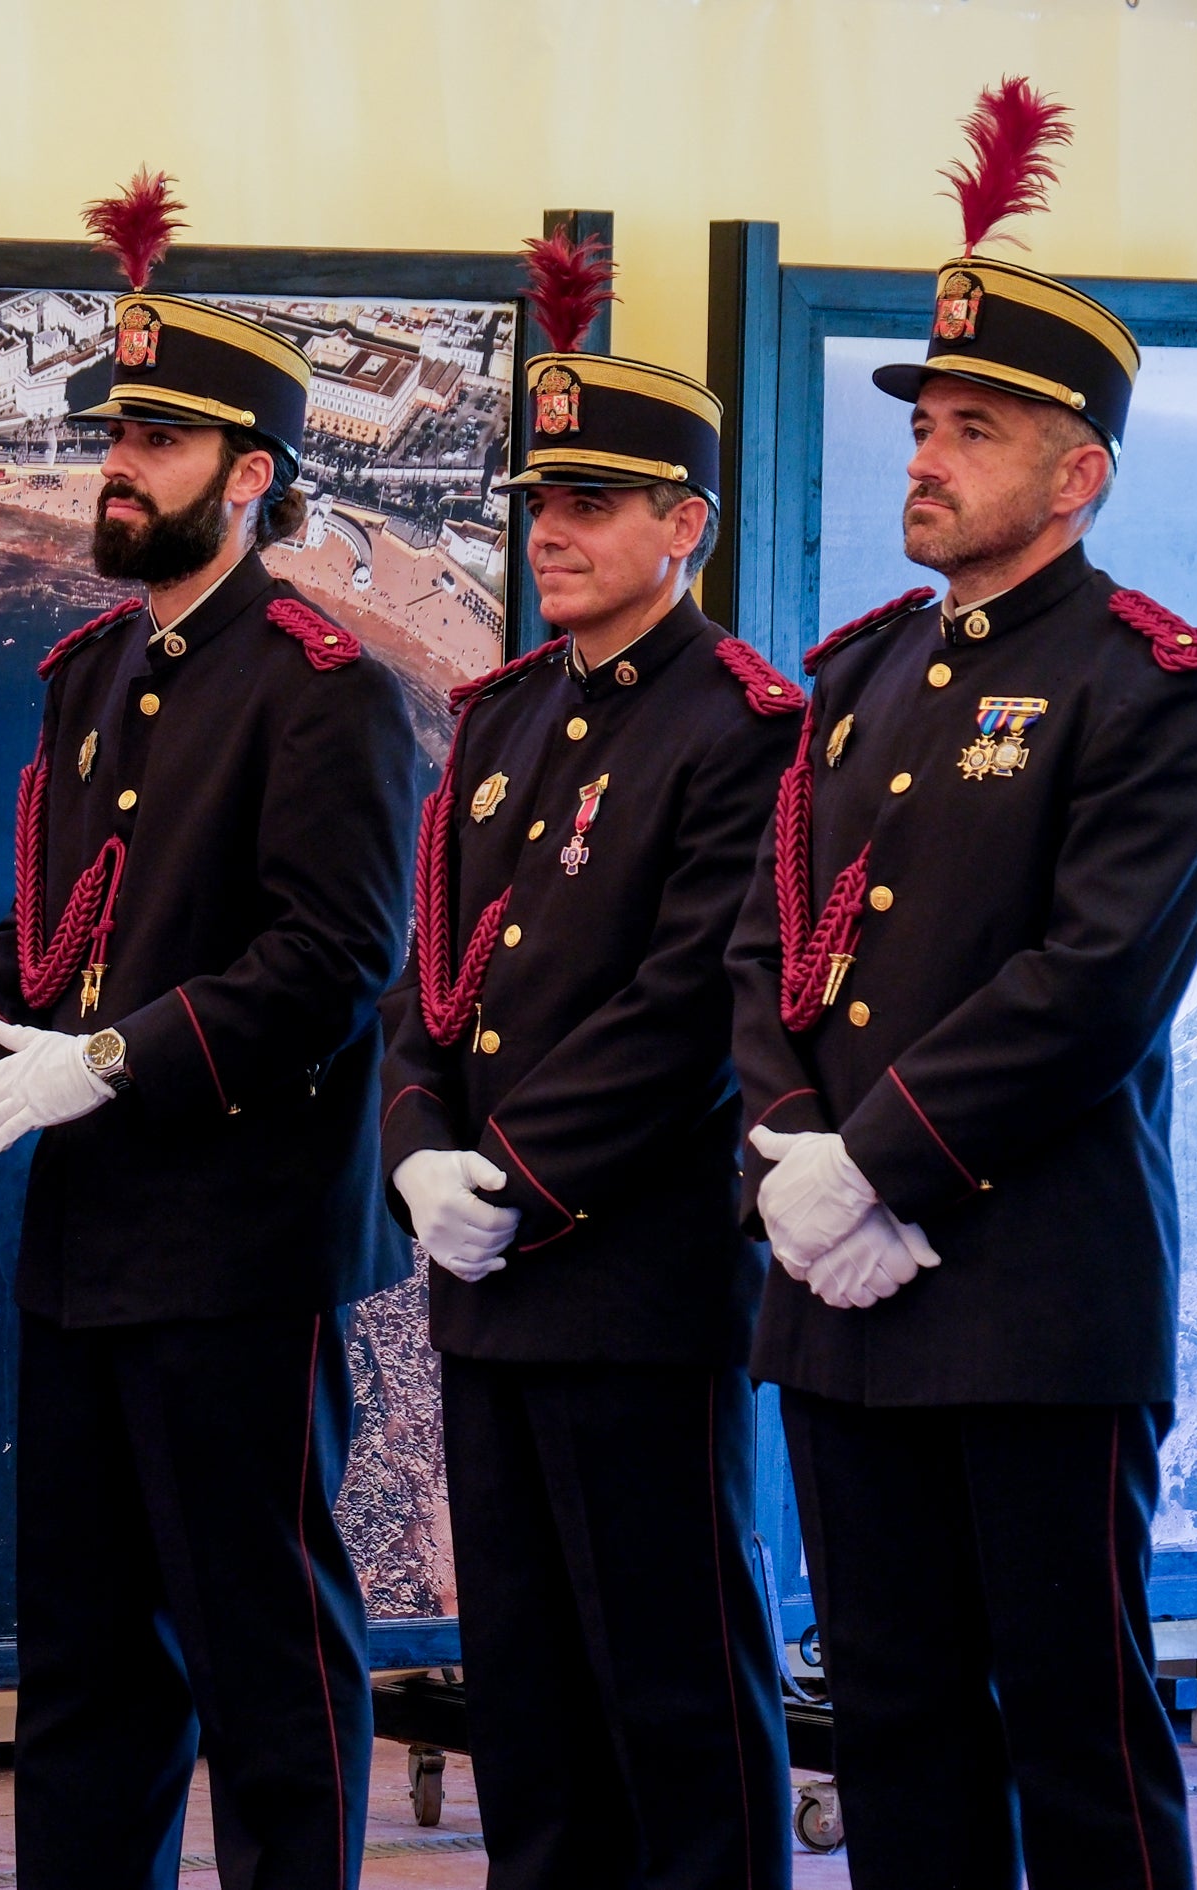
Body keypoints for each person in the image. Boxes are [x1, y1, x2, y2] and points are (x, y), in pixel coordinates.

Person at [726, 82, 1197, 1888]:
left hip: (1028, 1289)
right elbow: (768, 944)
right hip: (845, 1299)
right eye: (925, 421)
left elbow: (1092, 984)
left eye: (976, 426)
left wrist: (875, 1164)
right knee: (896, 1724)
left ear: (1078, 471)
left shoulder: (1153, 684)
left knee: (1076, 1738)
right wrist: (794, 1161)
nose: (926, 455)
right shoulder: (862, 674)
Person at [0, 184, 415, 1890]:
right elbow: (45, 919)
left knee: (264, 1650)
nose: (115, 463)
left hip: (239, 1246)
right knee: (86, 1663)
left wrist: (108, 1061)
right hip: (84, 1247)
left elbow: (335, 959)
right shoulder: (91, 673)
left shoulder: (321, 683)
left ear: (252, 472)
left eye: (158, 438)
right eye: (115, 432)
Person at [379, 228, 795, 1890]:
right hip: (484, 1275)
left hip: (629, 1277)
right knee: (531, 1700)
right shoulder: (497, 717)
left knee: (675, 1690)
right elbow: (438, 972)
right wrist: (416, 1141)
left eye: (595, 504)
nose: (549, 530)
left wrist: (517, 1179)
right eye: (540, 502)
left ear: (683, 526)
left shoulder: (737, 721)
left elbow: (689, 1003)